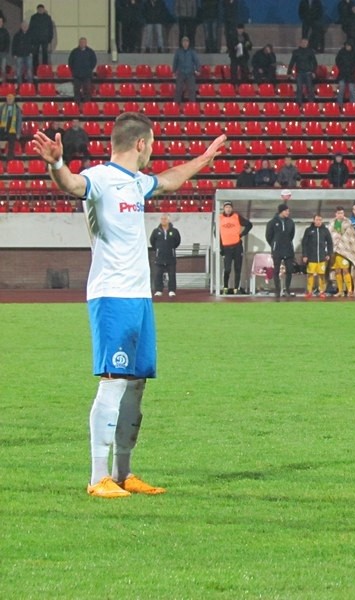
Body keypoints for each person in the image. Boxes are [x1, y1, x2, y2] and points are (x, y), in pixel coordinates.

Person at [31, 112, 226, 498]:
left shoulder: (137, 182)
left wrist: (203, 160)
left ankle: (123, 473)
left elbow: (169, 180)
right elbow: (72, 184)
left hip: (139, 298)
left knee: (136, 384)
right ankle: (97, 477)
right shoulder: (100, 178)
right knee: (114, 380)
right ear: (140, 143)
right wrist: (56, 163)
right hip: (112, 296)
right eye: (151, 144)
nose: (152, 150)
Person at [219, 200, 253, 294]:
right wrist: (221, 247)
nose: (228, 209)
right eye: (226, 207)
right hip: (226, 247)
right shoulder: (220, 218)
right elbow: (217, 233)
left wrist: (241, 234)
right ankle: (225, 287)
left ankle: (236, 288)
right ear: (224, 208)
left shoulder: (237, 216)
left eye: (230, 207)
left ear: (232, 208)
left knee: (237, 268)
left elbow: (249, 225)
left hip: (237, 246)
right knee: (227, 269)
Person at [266, 203, 296, 297]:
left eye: (288, 211)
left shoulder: (290, 222)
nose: (288, 212)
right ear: (281, 211)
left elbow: (292, 235)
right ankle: (277, 290)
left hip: (288, 249)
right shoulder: (272, 222)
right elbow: (268, 236)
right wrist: (274, 244)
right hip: (277, 250)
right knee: (276, 270)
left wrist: (287, 243)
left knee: (289, 270)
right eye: (286, 211)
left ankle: (287, 289)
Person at [330, 206, 355, 296]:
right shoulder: (332, 223)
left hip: (345, 251)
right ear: (336, 214)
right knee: (337, 271)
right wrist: (336, 238)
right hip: (335, 251)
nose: (340, 215)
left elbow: (351, 236)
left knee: (345, 270)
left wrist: (342, 240)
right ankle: (340, 291)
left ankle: (350, 290)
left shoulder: (348, 223)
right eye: (338, 213)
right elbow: (330, 235)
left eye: (342, 213)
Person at [150, 213, 181, 297]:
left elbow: (177, 242)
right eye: (162, 219)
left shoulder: (174, 231)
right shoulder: (156, 231)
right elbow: (152, 242)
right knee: (158, 274)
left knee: (172, 275)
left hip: (171, 257)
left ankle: (171, 290)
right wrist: (158, 250)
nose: (163, 220)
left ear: (169, 220)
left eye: (165, 219)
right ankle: (158, 290)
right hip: (159, 257)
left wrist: (171, 249)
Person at [301, 214, 333, 298]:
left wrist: (329, 254)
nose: (318, 222)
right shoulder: (308, 230)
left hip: (322, 257)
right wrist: (304, 255)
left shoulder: (325, 230)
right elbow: (304, 243)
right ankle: (309, 291)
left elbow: (330, 243)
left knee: (321, 275)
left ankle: (322, 291)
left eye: (320, 220)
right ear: (314, 220)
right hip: (311, 257)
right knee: (310, 274)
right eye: (317, 220)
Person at [67, 37, 98, 105]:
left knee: (87, 91)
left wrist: (89, 69)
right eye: (81, 42)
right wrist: (74, 71)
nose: (82, 43)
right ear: (79, 43)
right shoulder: (74, 52)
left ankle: (87, 105)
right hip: (77, 75)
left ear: (86, 43)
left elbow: (94, 61)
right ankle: (77, 105)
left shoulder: (90, 52)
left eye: (84, 42)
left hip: (87, 75)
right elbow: (70, 62)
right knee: (76, 91)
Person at [288, 38, 317, 105]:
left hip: (308, 73)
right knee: (299, 89)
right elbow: (292, 62)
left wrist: (313, 72)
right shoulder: (296, 52)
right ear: (300, 43)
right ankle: (299, 105)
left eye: (305, 42)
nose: (304, 44)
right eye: (303, 42)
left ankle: (311, 105)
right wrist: (289, 72)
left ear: (307, 44)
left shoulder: (310, 51)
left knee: (310, 89)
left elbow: (315, 63)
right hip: (299, 73)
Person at [173, 36, 200, 103]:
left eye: (186, 41)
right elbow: (175, 62)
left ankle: (192, 105)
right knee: (178, 90)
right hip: (181, 73)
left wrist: (198, 70)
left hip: (190, 73)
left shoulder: (192, 52)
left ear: (188, 43)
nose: (185, 43)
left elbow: (196, 61)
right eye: (184, 41)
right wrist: (174, 71)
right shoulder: (178, 52)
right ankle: (177, 105)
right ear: (182, 43)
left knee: (192, 90)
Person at [28, 3, 53, 74]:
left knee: (45, 55)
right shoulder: (33, 17)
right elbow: (31, 29)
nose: (41, 10)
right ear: (37, 10)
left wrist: (50, 38)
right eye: (39, 9)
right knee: (35, 55)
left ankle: (45, 70)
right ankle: (35, 70)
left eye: (42, 9)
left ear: (44, 9)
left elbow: (50, 29)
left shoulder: (48, 18)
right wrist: (31, 39)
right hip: (35, 39)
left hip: (45, 39)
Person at [335, 39, 355, 106]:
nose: (347, 47)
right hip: (342, 74)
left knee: (352, 90)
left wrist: (352, 69)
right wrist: (342, 68)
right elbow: (338, 61)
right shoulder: (341, 52)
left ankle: (353, 105)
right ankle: (339, 105)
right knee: (341, 89)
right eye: (346, 46)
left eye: (348, 46)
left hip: (351, 74)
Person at [0, 93, 21, 160]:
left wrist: (18, 133)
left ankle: (10, 158)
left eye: (11, 99)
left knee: (12, 142)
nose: (9, 100)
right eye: (8, 99)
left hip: (12, 128)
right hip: (2, 127)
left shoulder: (17, 109)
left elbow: (19, 121)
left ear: (13, 100)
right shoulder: (2, 107)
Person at [0, 16, 9, 84]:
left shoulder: (5, 31)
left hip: (3, 53)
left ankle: (4, 84)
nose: (0, 22)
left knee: (3, 69)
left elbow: (7, 41)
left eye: (1, 21)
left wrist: (6, 51)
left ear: (2, 23)